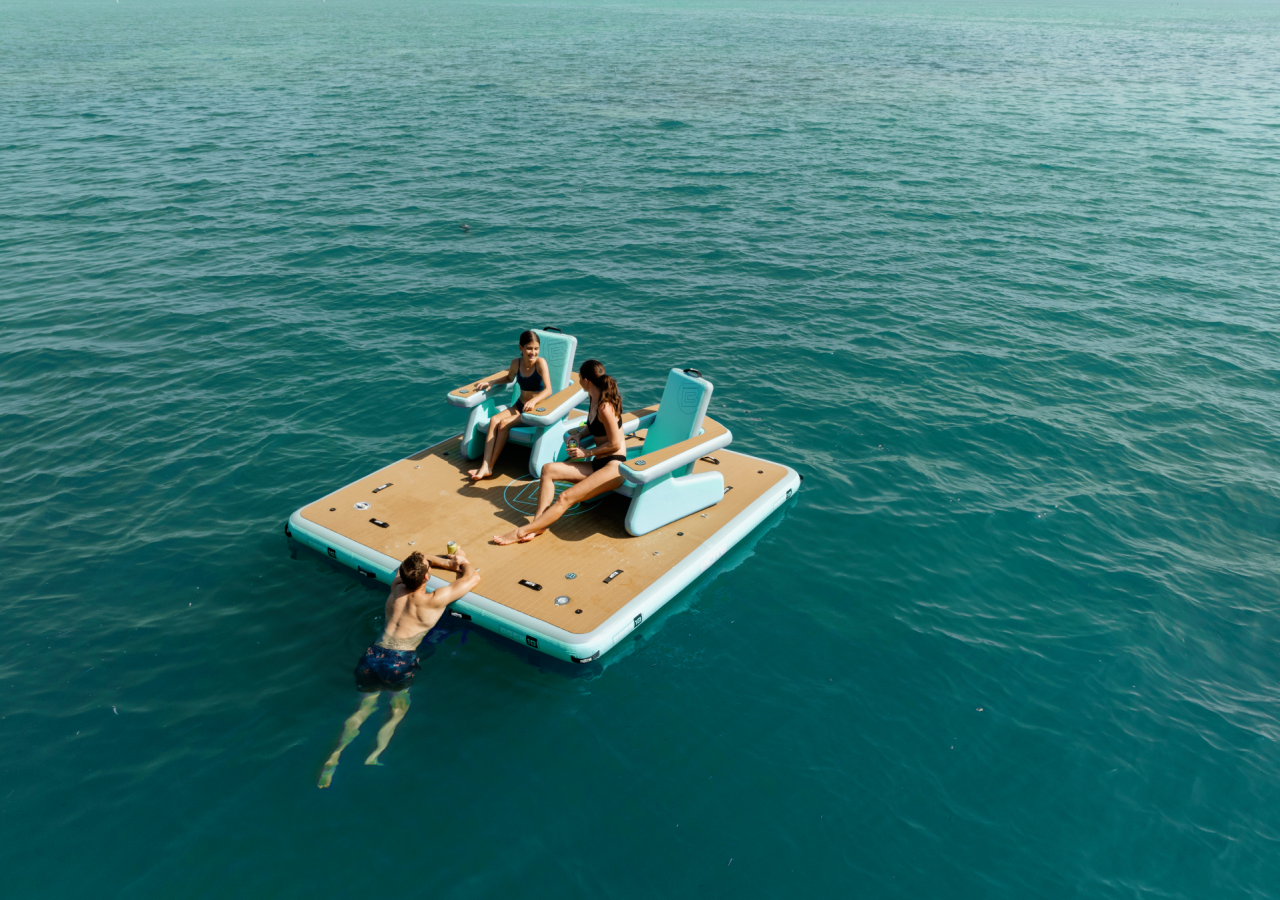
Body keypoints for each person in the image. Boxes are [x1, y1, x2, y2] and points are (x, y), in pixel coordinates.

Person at [318, 548, 481, 788]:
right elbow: (474, 578)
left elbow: (417, 560)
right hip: (400, 662)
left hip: (372, 656)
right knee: (398, 708)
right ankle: (376, 753)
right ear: (427, 577)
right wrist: (460, 562)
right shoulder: (434, 599)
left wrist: (440, 563)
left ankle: (335, 755)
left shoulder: (396, 587)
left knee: (363, 708)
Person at [493, 359, 626, 545]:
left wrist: (585, 453)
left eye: (580, 377)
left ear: (586, 380)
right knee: (548, 470)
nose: (579, 380)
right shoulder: (593, 397)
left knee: (565, 497)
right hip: (599, 464)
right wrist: (579, 435)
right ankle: (537, 524)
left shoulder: (606, 406)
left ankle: (519, 532)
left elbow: (615, 443)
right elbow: (593, 426)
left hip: (614, 466)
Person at [467, 331, 553, 481]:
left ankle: (490, 467)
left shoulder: (541, 363)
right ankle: (485, 465)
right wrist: (492, 382)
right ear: (521, 347)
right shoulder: (516, 363)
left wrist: (534, 401)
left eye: (536, 348)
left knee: (504, 423)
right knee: (494, 420)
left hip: (534, 410)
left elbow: (548, 389)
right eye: (529, 348)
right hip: (519, 405)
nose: (533, 352)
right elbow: (509, 377)